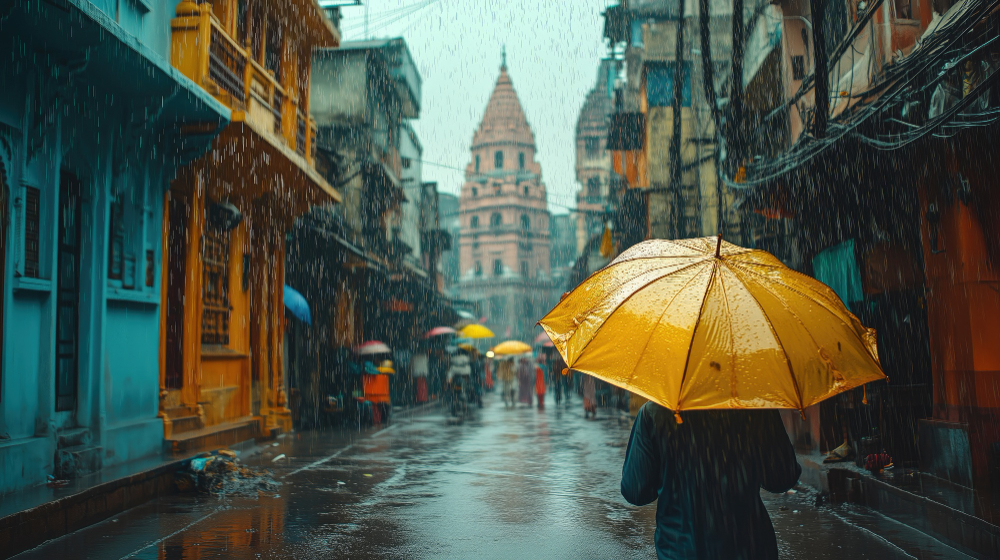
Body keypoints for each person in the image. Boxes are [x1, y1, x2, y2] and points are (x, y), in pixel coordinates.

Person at [621, 403, 801, 560]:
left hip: (681, 549)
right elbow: (782, 479)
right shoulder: (754, 407)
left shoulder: (653, 412)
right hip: (750, 546)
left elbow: (635, 492)